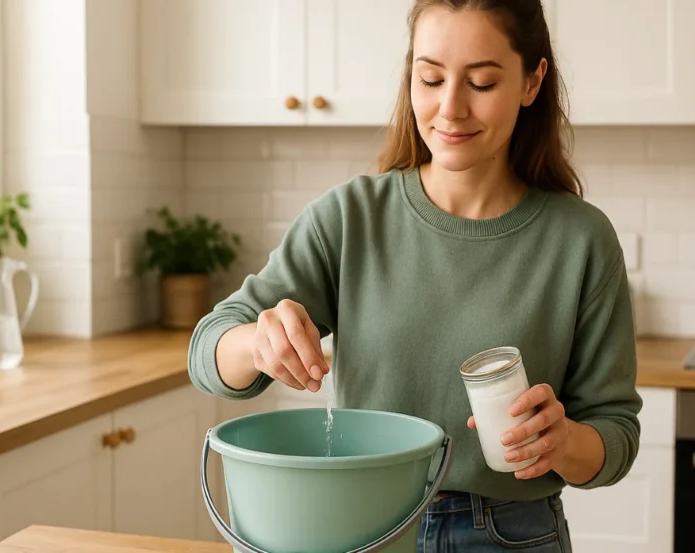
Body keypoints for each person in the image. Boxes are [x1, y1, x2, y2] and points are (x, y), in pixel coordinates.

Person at [187, 0, 642, 551]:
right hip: (361, 523)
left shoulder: (581, 240)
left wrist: (562, 442)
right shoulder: (350, 219)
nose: (450, 108)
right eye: (430, 78)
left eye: (480, 82)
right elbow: (208, 349)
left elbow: (615, 433)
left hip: (510, 533)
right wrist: (257, 343)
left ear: (531, 81)